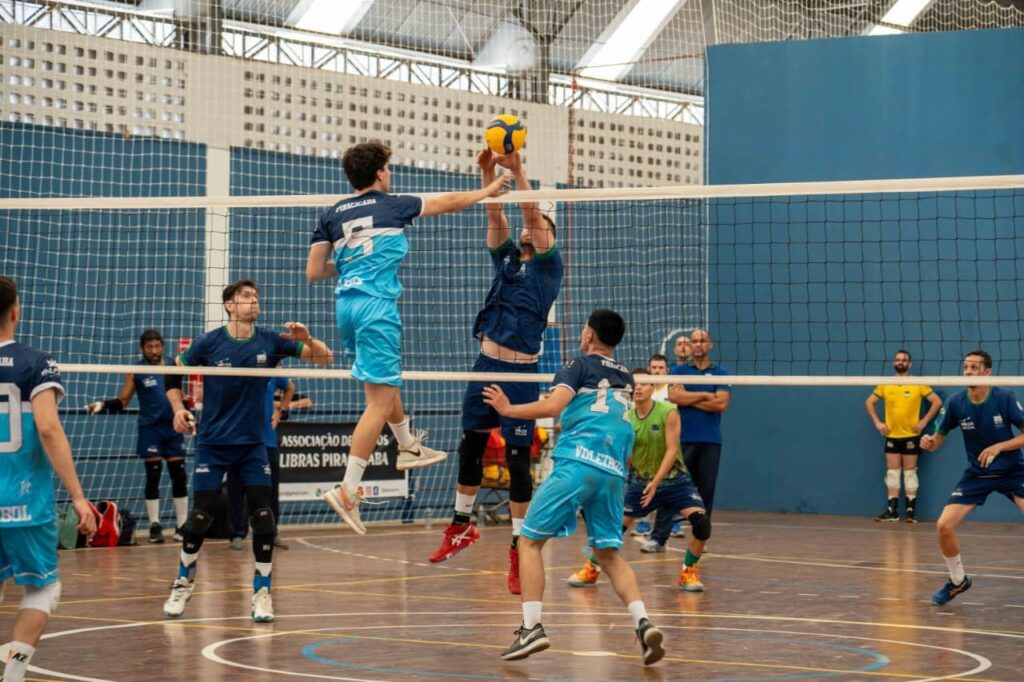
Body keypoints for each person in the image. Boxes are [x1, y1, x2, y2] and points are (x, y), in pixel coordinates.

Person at [308, 141, 510, 535]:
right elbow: (450, 202)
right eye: (388, 167)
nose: (390, 173)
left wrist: (352, 267)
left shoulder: (331, 213)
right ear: (380, 172)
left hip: (346, 307)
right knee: (378, 403)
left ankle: (408, 446)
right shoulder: (393, 204)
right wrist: (487, 189)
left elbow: (314, 272)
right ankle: (348, 490)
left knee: (385, 384)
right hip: (376, 309)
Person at [482, 310, 665, 666]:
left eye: (584, 329)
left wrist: (507, 409)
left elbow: (552, 405)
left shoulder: (576, 365)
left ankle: (531, 628)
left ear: (589, 335)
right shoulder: (626, 376)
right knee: (608, 554)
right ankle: (643, 622)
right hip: (613, 472)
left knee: (528, 542)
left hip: (578, 463)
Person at [428, 149, 563, 595]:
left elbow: (529, 213)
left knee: (518, 461)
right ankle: (461, 525)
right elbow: (495, 215)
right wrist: (488, 172)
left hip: (522, 374)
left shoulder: (549, 267)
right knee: (470, 444)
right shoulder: (507, 260)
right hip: (485, 364)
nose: (528, 230)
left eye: (537, 228)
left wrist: (518, 169)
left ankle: (519, 548)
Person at [162, 279, 331, 623]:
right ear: (229, 305)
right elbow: (172, 373)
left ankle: (262, 592)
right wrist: (178, 409)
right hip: (213, 442)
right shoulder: (208, 342)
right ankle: (183, 583)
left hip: (253, 443)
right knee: (199, 517)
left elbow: (325, 358)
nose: (253, 301)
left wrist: (307, 338)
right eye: (245, 296)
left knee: (263, 517)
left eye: (255, 296)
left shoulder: (271, 340)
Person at [0, 276, 97, 682]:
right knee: (44, 589)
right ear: (15, 312)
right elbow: (48, 429)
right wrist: (77, 497)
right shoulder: (35, 362)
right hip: (26, 504)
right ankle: (13, 675)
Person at [569, 368, 711, 591]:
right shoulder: (626, 418)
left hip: (675, 482)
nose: (639, 388)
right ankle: (591, 568)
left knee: (702, 524)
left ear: (653, 387)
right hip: (641, 483)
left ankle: (688, 571)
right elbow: (626, 456)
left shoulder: (668, 412)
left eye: (644, 384)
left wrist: (656, 482)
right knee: (614, 530)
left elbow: (672, 450)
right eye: (636, 384)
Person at [919, 349, 1024, 605]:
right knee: (944, 525)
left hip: (1012, 471)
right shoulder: (956, 402)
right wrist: (930, 442)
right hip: (978, 474)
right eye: (965, 367)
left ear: (987, 372)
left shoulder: (1004, 397)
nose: (968, 372)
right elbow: (938, 439)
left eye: (974, 368)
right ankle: (958, 581)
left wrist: (1000, 447)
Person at [87, 329, 188, 544]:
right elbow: (123, 401)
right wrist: (103, 404)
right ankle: (155, 525)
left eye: (157, 346)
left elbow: (182, 396)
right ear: (142, 348)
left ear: (162, 346)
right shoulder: (137, 370)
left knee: (179, 475)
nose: (154, 351)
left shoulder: (174, 366)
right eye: (149, 347)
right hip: (150, 429)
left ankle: (182, 526)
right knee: (153, 475)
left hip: (173, 427)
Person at [864, 349, 943, 523]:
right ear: (894, 362)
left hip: (911, 435)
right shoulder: (886, 383)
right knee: (892, 472)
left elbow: (937, 401)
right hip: (892, 435)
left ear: (910, 364)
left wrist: (924, 421)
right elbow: (869, 402)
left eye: (904, 360)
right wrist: (878, 422)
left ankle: (910, 512)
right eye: (898, 359)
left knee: (909, 473)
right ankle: (892, 511)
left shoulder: (918, 383)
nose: (901, 362)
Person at [226, 377, 295, 550]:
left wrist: (280, 411)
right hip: (239, 440)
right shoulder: (237, 370)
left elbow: (290, 387)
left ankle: (272, 532)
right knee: (236, 489)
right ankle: (236, 534)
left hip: (267, 442)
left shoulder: (271, 373)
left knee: (270, 491)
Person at [667, 328, 730, 519]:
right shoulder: (679, 371)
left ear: (710, 345)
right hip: (684, 439)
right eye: (694, 341)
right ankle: (662, 533)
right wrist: (706, 395)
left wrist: (688, 397)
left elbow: (721, 404)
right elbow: (675, 397)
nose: (697, 345)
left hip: (710, 440)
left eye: (702, 341)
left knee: (706, 492)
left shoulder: (721, 372)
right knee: (674, 488)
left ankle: (701, 533)